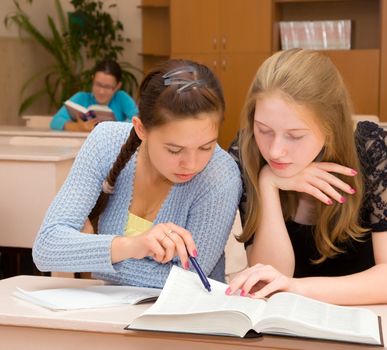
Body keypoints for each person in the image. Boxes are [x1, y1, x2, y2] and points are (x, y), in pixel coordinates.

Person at [227, 49, 387, 305]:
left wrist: (296, 288)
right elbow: (269, 281)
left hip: (379, 319)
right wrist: (268, 182)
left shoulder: (369, 148)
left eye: (295, 136)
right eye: (264, 130)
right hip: (296, 325)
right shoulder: (248, 152)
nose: (275, 150)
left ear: (330, 128)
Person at [33, 59, 242, 288]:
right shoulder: (106, 142)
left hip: (190, 320)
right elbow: (47, 247)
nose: (191, 164)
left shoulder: (220, 174)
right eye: (174, 150)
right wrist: (132, 246)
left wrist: (91, 249)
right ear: (141, 129)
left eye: (206, 147)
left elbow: (188, 280)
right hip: (105, 316)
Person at [50, 60, 138, 131]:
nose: (101, 91)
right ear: (93, 80)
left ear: (117, 86)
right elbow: (55, 121)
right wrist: (78, 127)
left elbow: (139, 119)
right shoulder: (81, 97)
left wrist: (114, 128)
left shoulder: (121, 98)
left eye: (107, 87)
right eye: (98, 84)